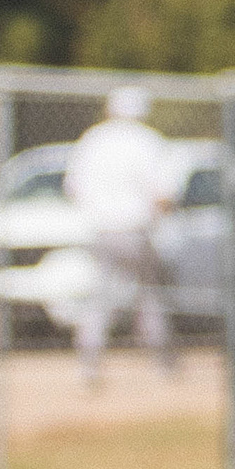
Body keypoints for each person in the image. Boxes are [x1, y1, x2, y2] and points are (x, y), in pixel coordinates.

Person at [64, 88, 181, 384]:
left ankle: (89, 366)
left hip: (100, 228)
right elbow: (164, 195)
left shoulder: (94, 139)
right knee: (150, 295)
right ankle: (162, 363)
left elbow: (73, 188)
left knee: (100, 298)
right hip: (137, 229)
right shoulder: (149, 141)